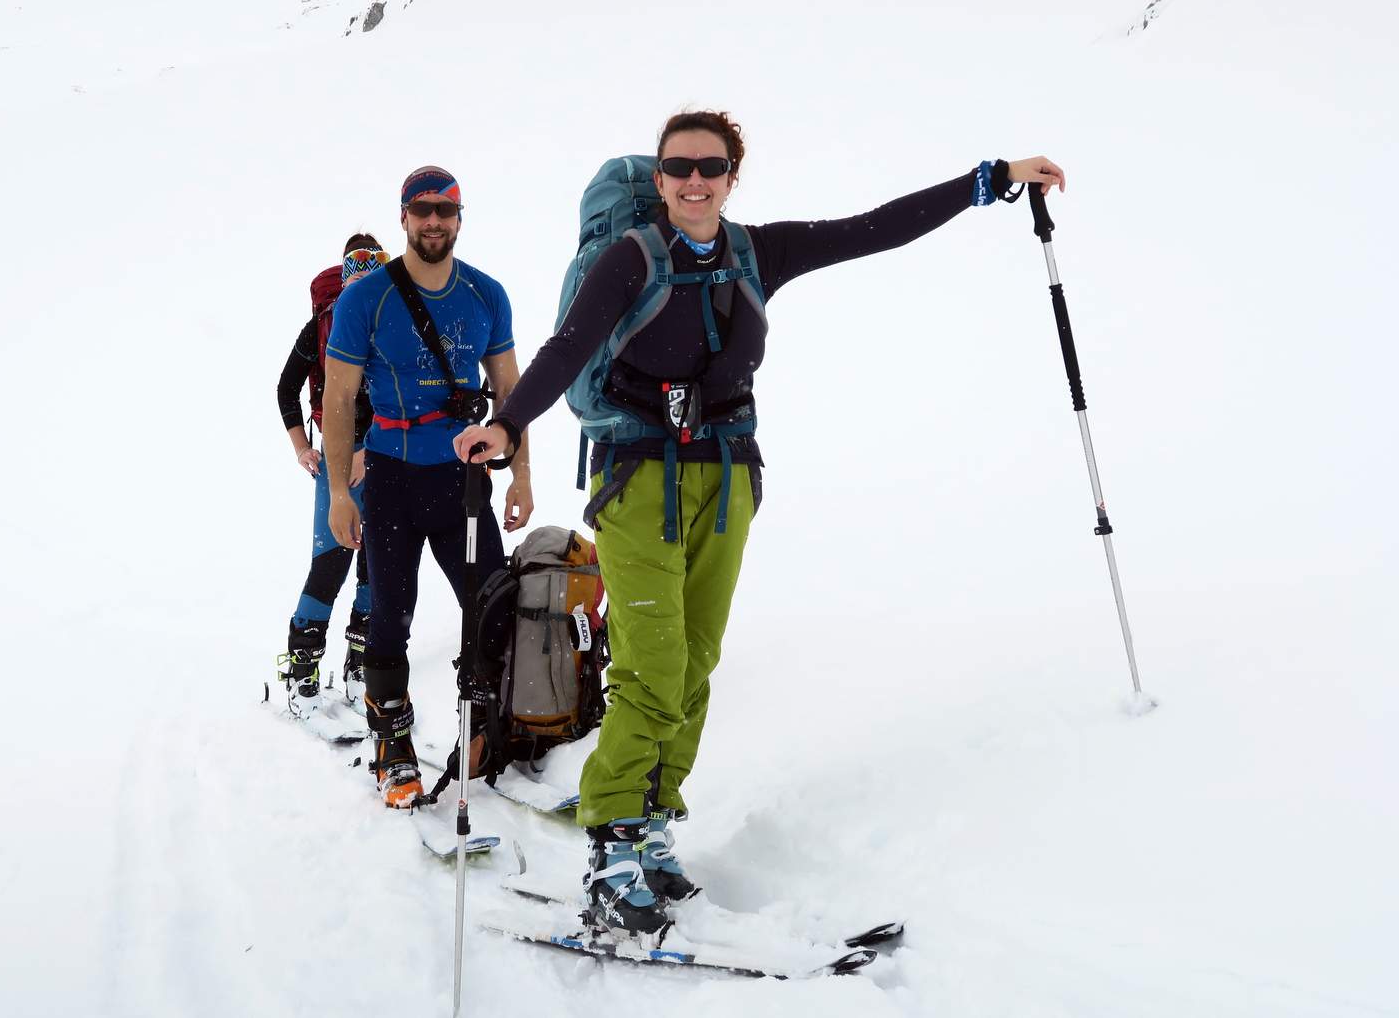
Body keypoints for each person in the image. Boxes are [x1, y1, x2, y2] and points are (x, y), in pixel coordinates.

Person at [454, 111, 1065, 933]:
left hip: (728, 477)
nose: (694, 180)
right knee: (651, 666)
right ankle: (611, 846)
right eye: (679, 167)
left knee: (694, 662)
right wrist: (507, 422)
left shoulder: (755, 252)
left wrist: (986, 182)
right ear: (660, 178)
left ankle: (653, 827)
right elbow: (567, 347)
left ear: (732, 176)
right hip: (637, 480)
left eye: (710, 166)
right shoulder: (629, 258)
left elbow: (873, 229)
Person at [321, 166, 535, 808]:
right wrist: (339, 493)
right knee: (391, 611)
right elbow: (338, 398)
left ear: (460, 218)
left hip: (461, 481)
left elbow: (510, 390)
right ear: (404, 218)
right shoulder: (366, 299)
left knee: (491, 609)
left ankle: (486, 727)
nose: (434, 220)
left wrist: (521, 473)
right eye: (422, 209)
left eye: (445, 209)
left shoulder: (485, 294)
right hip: (389, 477)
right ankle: (392, 746)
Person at [275, 234, 388, 714]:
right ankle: (302, 670)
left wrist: (368, 448)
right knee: (332, 558)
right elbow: (286, 387)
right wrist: (303, 448)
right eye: (356, 267)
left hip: (386, 455)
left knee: (377, 561)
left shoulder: (391, 319)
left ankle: (359, 662)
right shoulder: (323, 324)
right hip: (339, 457)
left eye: (373, 265)